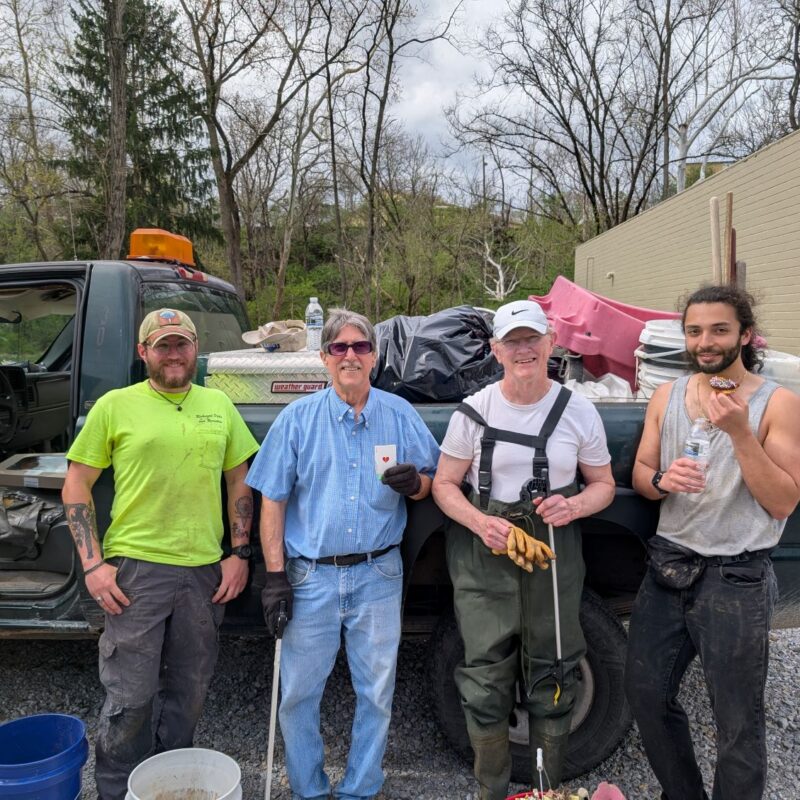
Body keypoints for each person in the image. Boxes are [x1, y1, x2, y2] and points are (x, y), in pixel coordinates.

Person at [61, 308, 259, 800]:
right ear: (143, 351)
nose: (174, 354)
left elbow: (239, 480)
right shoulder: (115, 405)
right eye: (163, 345)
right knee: (131, 696)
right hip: (135, 573)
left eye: (182, 344)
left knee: (189, 691)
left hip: (203, 571)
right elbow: (76, 484)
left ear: (196, 350)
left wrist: (239, 553)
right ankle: (116, 790)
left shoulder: (220, 405)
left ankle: (171, 783)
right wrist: (92, 564)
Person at [246, 308, 440, 800]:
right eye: (339, 348)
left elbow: (436, 483)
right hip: (311, 576)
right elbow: (272, 499)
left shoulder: (400, 415)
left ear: (373, 357)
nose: (350, 355)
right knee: (297, 694)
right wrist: (274, 578)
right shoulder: (296, 420)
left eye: (360, 347)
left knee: (376, 692)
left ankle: (360, 787)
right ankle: (309, 789)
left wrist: (416, 483)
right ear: (324, 359)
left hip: (378, 572)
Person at [432, 300, 615, 799]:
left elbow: (602, 484)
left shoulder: (579, 412)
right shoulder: (474, 412)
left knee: (554, 672)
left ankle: (543, 791)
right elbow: (444, 485)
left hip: (554, 551)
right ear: (496, 351)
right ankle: (492, 791)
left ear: (551, 344)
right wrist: (478, 520)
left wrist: (574, 507)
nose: (524, 349)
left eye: (532, 338)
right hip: (483, 553)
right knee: (485, 679)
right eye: (513, 341)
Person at [626, 285, 800, 800]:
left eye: (719, 329)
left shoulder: (778, 403)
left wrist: (742, 435)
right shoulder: (668, 396)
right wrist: (662, 481)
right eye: (694, 330)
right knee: (644, 694)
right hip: (670, 565)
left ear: (745, 335)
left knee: (738, 721)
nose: (705, 341)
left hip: (737, 578)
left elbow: (783, 502)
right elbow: (641, 472)